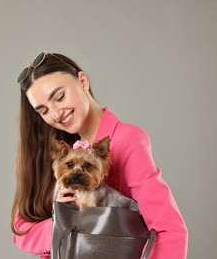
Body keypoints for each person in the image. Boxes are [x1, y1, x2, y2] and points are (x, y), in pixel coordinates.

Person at [11, 51, 188, 258]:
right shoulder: (58, 150)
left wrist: (77, 223)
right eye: (43, 111)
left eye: (60, 97)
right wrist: (62, 220)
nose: (56, 114)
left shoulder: (126, 140)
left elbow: (170, 230)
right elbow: (21, 229)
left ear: (83, 81)